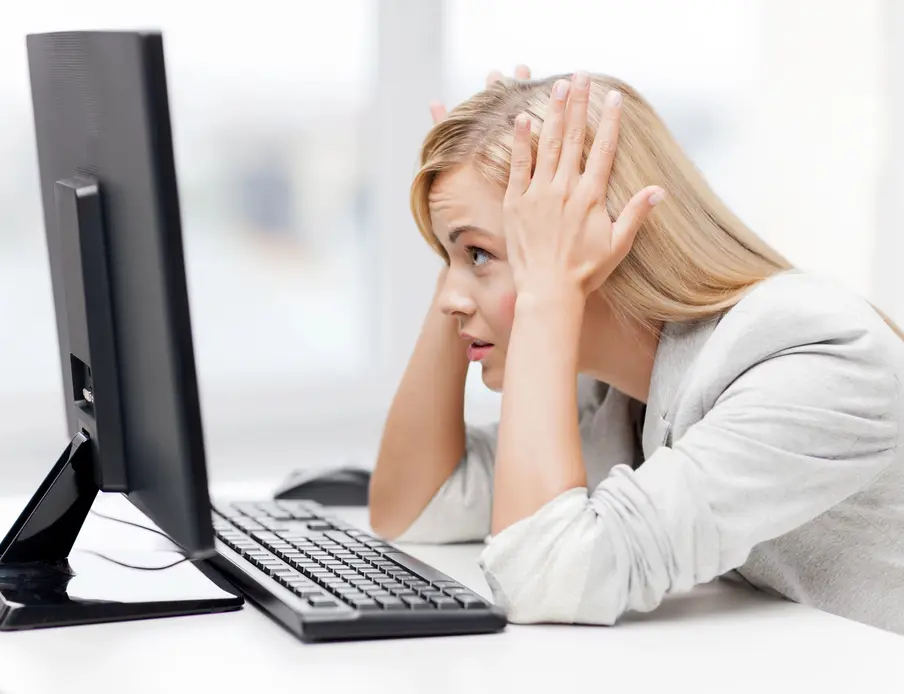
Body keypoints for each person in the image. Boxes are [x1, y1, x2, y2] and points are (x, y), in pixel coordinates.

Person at [368, 66, 904, 634]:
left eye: (479, 255)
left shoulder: (812, 358)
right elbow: (412, 504)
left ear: (593, 238)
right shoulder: (609, 387)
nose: (450, 299)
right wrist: (455, 233)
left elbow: (546, 576)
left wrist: (547, 291)